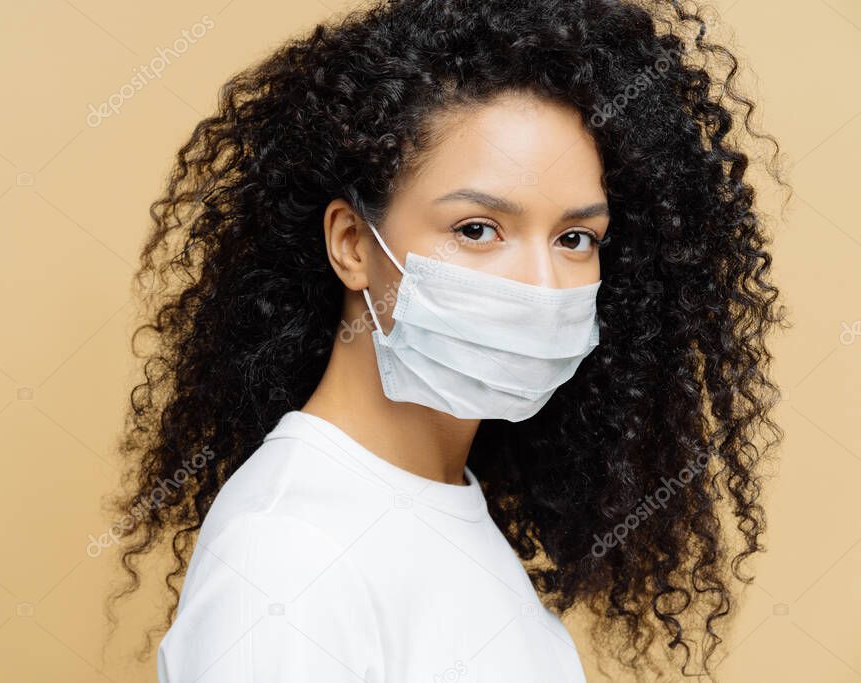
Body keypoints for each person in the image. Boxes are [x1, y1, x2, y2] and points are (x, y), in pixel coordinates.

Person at [108, 0, 789, 680]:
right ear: (352, 244)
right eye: (476, 228)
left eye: (575, 238)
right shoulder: (287, 554)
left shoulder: (447, 502)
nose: (540, 284)